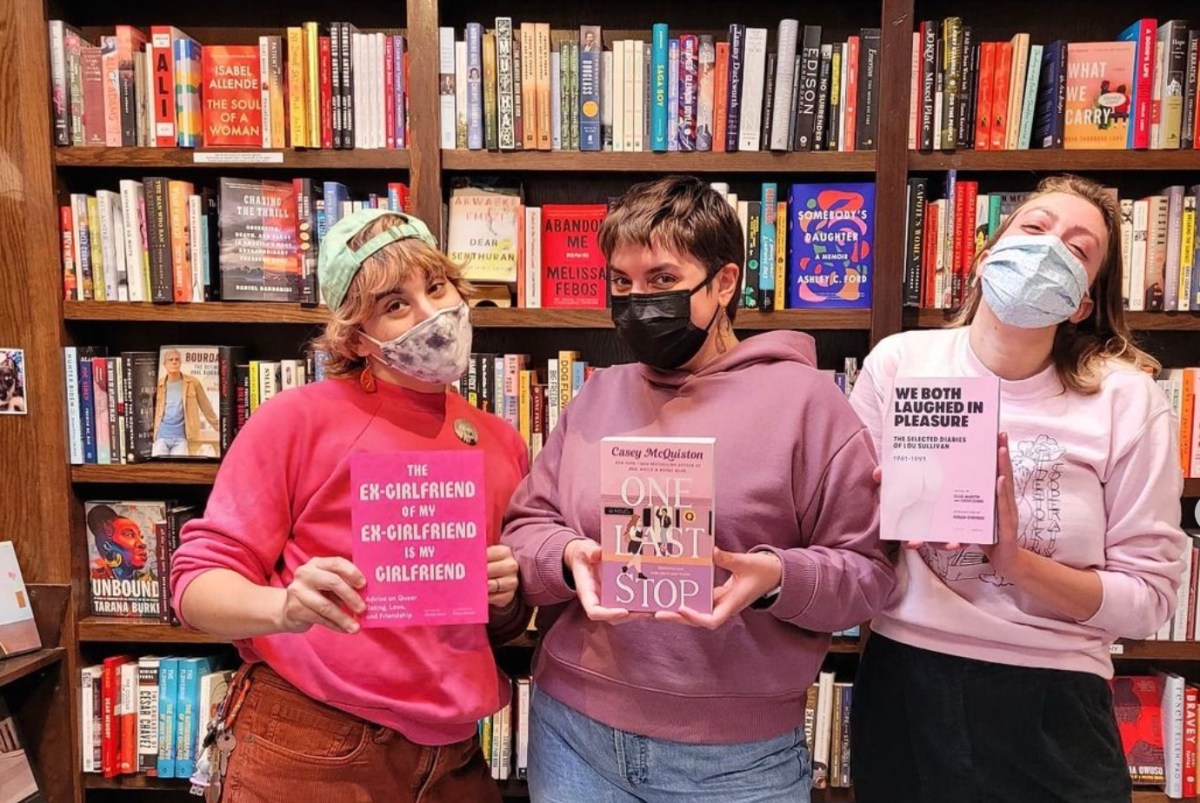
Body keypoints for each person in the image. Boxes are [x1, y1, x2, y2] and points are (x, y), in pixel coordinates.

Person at [501, 175, 894, 802]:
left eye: (661, 280)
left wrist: (774, 578)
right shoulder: (599, 393)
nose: (637, 302)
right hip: (573, 732)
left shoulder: (808, 403)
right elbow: (527, 526)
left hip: (738, 762)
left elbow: (868, 573)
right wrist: (569, 557)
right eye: (622, 283)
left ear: (725, 282)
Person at [169, 209, 531, 802]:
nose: (431, 314)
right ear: (353, 338)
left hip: (456, 755)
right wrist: (285, 607)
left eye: (435, 287)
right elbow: (194, 587)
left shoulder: (498, 440)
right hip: (312, 744)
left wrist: (506, 596)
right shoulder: (296, 419)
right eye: (394, 305)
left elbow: (494, 625)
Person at [848, 174, 1187, 803]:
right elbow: (851, 548)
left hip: (1054, 701)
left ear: (1083, 302)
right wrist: (874, 513)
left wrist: (1015, 563)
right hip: (908, 681)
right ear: (985, 258)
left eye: (1078, 249)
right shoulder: (900, 364)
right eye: (1034, 228)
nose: (1049, 248)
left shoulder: (1127, 400)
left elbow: (1148, 599)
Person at [151, 348, 219, 457]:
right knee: (157, 470)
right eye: (171, 360)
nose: (174, 362)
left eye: (177, 359)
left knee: (180, 469)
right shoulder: (158, 385)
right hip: (161, 438)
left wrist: (221, 429)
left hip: (182, 439)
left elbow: (207, 408)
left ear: (180, 363)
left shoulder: (193, 383)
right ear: (164, 364)